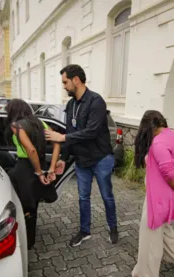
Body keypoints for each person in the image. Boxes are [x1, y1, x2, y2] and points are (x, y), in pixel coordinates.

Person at [45, 64, 118, 247]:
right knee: (83, 197)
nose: (64, 86)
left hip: (101, 158)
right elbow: (71, 132)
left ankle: (113, 227)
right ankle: (85, 231)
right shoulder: (71, 105)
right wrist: (63, 158)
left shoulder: (96, 101)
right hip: (81, 161)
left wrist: (62, 137)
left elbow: (91, 131)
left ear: (76, 80)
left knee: (106, 196)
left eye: (65, 82)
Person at [131, 110, 174, 277]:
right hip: (170, 197)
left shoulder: (157, 143)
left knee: (150, 236)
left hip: (158, 199)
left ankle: (147, 276)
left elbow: (168, 172)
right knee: (165, 230)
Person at [5, 99, 62, 250]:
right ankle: (30, 240)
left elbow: (30, 150)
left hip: (25, 168)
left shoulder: (16, 126)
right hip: (40, 164)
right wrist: (49, 169)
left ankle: (24, 240)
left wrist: (38, 172)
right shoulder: (40, 123)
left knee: (23, 205)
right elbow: (57, 143)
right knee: (33, 205)